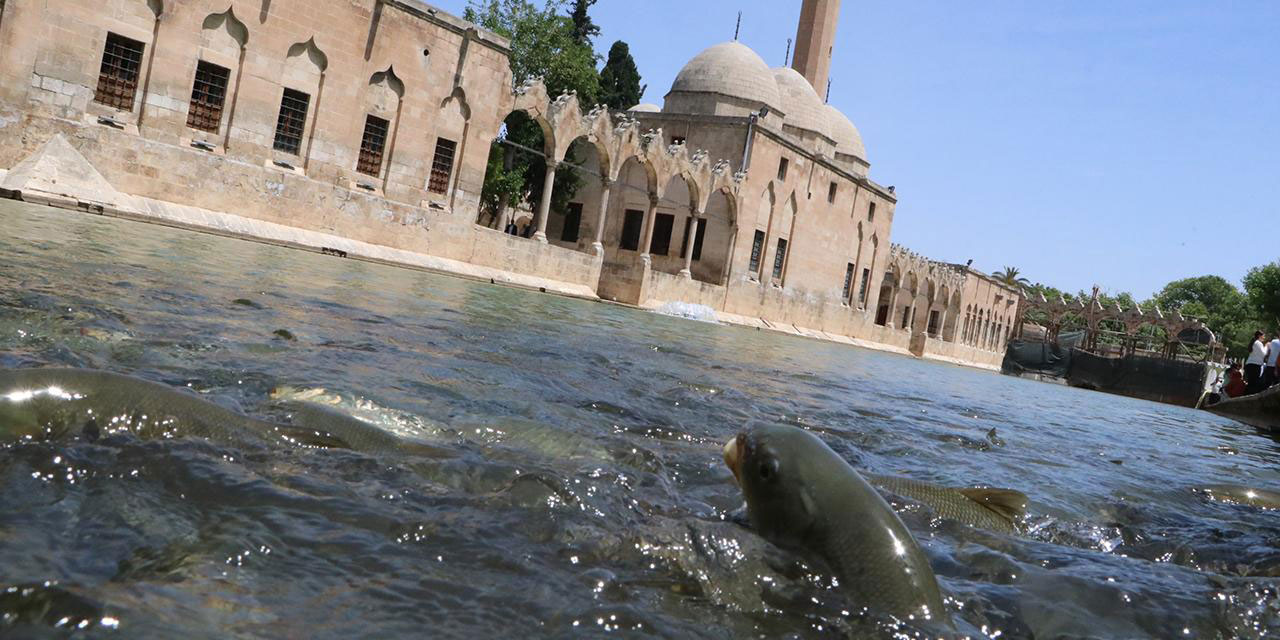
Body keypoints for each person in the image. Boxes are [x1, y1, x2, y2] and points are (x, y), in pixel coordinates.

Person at [1244, 331, 1268, 395]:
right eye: (1263, 336)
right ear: (1259, 336)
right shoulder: (1258, 343)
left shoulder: (1254, 342)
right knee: (1253, 383)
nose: (1264, 338)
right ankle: (1248, 396)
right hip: (1255, 365)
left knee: (1250, 382)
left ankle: (1246, 395)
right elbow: (1264, 354)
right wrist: (1266, 346)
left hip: (1250, 364)